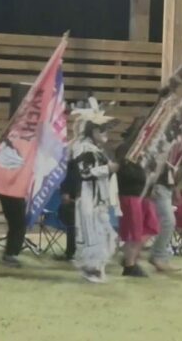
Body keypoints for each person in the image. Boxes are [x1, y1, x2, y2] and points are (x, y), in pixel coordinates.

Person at [72, 111, 119, 283]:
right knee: (93, 234)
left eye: (106, 129)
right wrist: (108, 169)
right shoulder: (84, 148)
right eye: (102, 129)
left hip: (98, 198)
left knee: (103, 233)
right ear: (92, 131)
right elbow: (84, 173)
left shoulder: (95, 149)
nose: (106, 133)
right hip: (88, 198)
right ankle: (91, 269)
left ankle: (97, 268)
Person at [115, 117, 159, 277]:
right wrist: (143, 172)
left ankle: (129, 255)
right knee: (133, 232)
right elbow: (124, 172)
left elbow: (153, 169)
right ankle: (129, 264)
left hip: (144, 194)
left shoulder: (147, 150)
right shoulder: (124, 149)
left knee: (152, 227)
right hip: (130, 194)